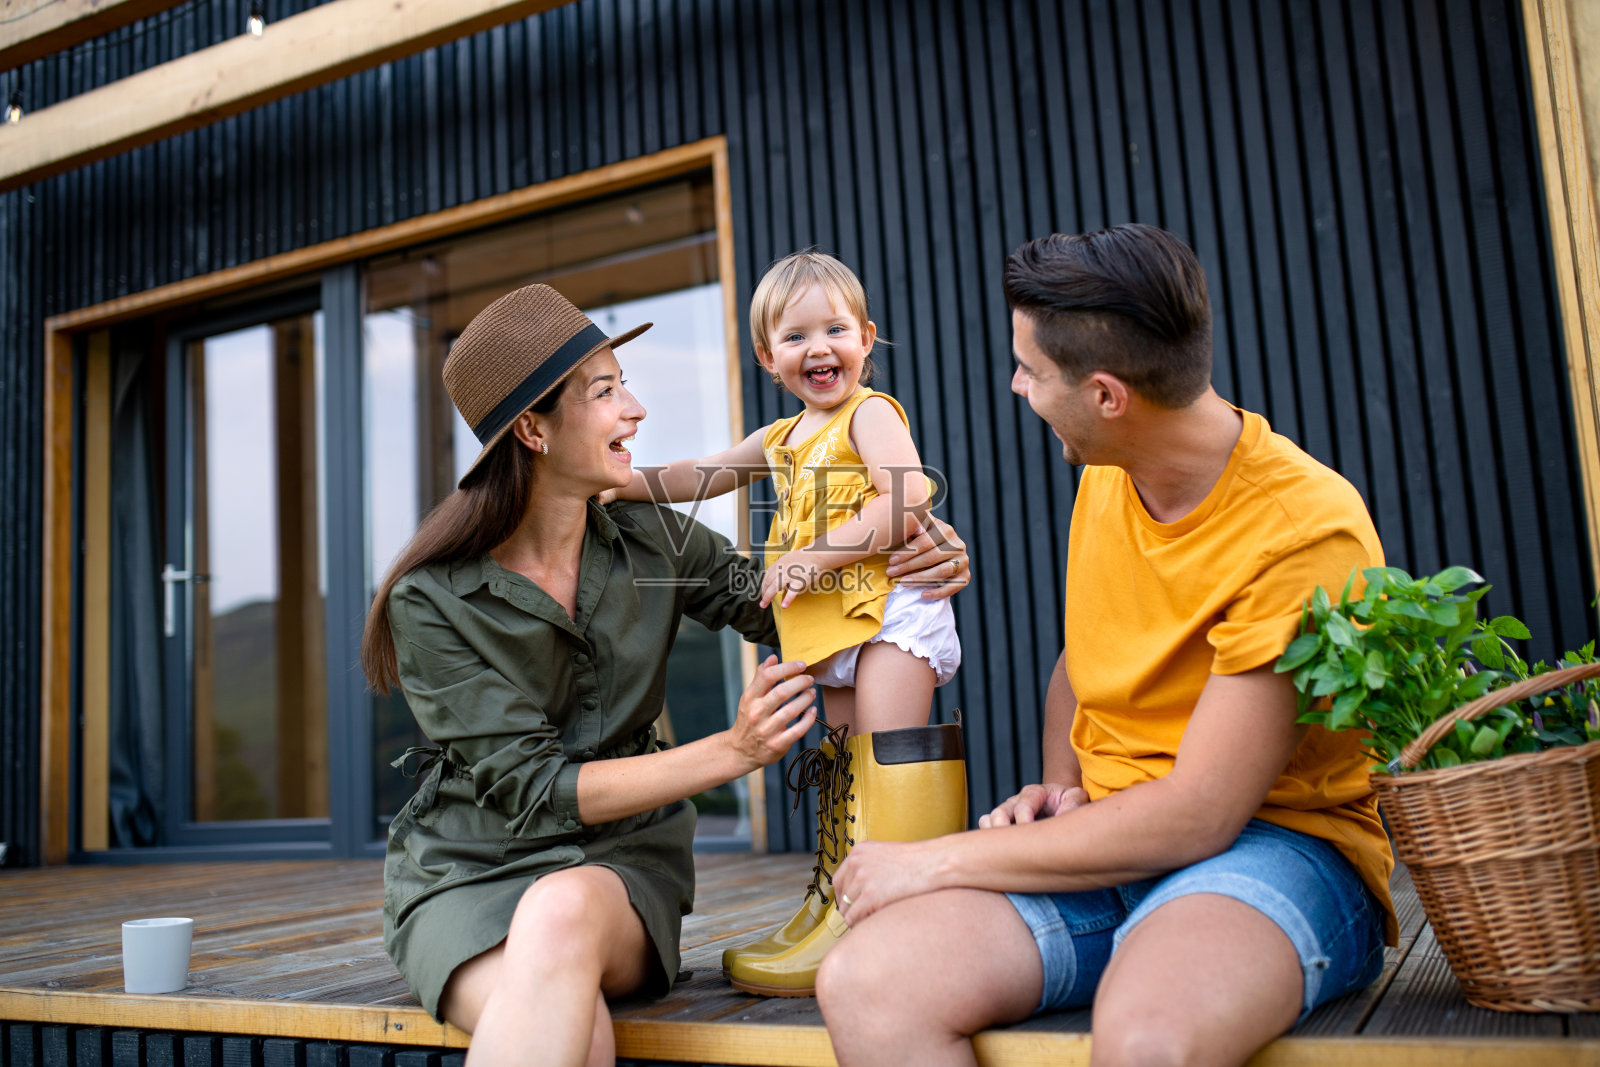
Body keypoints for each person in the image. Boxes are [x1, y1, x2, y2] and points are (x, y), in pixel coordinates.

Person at [815, 225, 1397, 1067]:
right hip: (1118, 842)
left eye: (1030, 370)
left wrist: (938, 860)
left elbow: (1201, 813)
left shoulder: (1301, 531)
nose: (1016, 385)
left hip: (1278, 848)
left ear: (1107, 395)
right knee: (867, 979)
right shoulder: (1110, 473)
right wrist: (1064, 790)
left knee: (1147, 1039)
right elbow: (1082, 662)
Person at [360, 283, 971, 1067]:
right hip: (466, 871)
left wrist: (908, 559)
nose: (638, 409)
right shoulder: (431, 598)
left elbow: (784, 606)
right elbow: (534, 786)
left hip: (614, 870)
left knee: (559, 913)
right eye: (607, 391)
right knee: (575, 1031)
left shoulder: (654, 540)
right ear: (532, 430)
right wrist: (732, 752)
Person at [613, 251, 967, 997]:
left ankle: (899, 918)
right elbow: (697, 473)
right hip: (834, 631)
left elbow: (904, 499)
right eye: (797, 335)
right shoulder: (781, 436)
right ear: (768, 357)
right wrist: (615, 484)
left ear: (866, 338)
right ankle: (837, 896)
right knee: (841, 771)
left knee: (884, 759)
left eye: (836, 328)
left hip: (890, 610)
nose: (819, 348)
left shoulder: (870, 414)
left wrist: (812, 556)